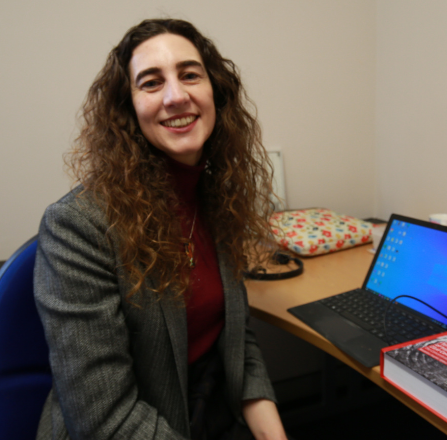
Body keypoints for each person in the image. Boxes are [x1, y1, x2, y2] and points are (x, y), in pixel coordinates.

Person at [33, 18, 288, 440]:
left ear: (215, 93)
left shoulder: (217, 197)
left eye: (190, 75)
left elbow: (237, 340)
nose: (176, 96)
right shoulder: (77, 226)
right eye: (151, 83)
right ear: (127, 109)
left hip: (206, 408)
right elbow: (104, 419)